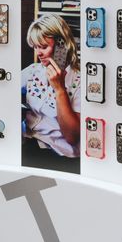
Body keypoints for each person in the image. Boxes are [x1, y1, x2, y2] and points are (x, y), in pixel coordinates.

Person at [21, 12, 81, 160]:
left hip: (59, 154)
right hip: (29, 143)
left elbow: (72, 138)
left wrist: (59, 89)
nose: (38, 53)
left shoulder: (80, 80)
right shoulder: (34, 71)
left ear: (62, 45)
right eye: (35, 47)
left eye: (43, 47)